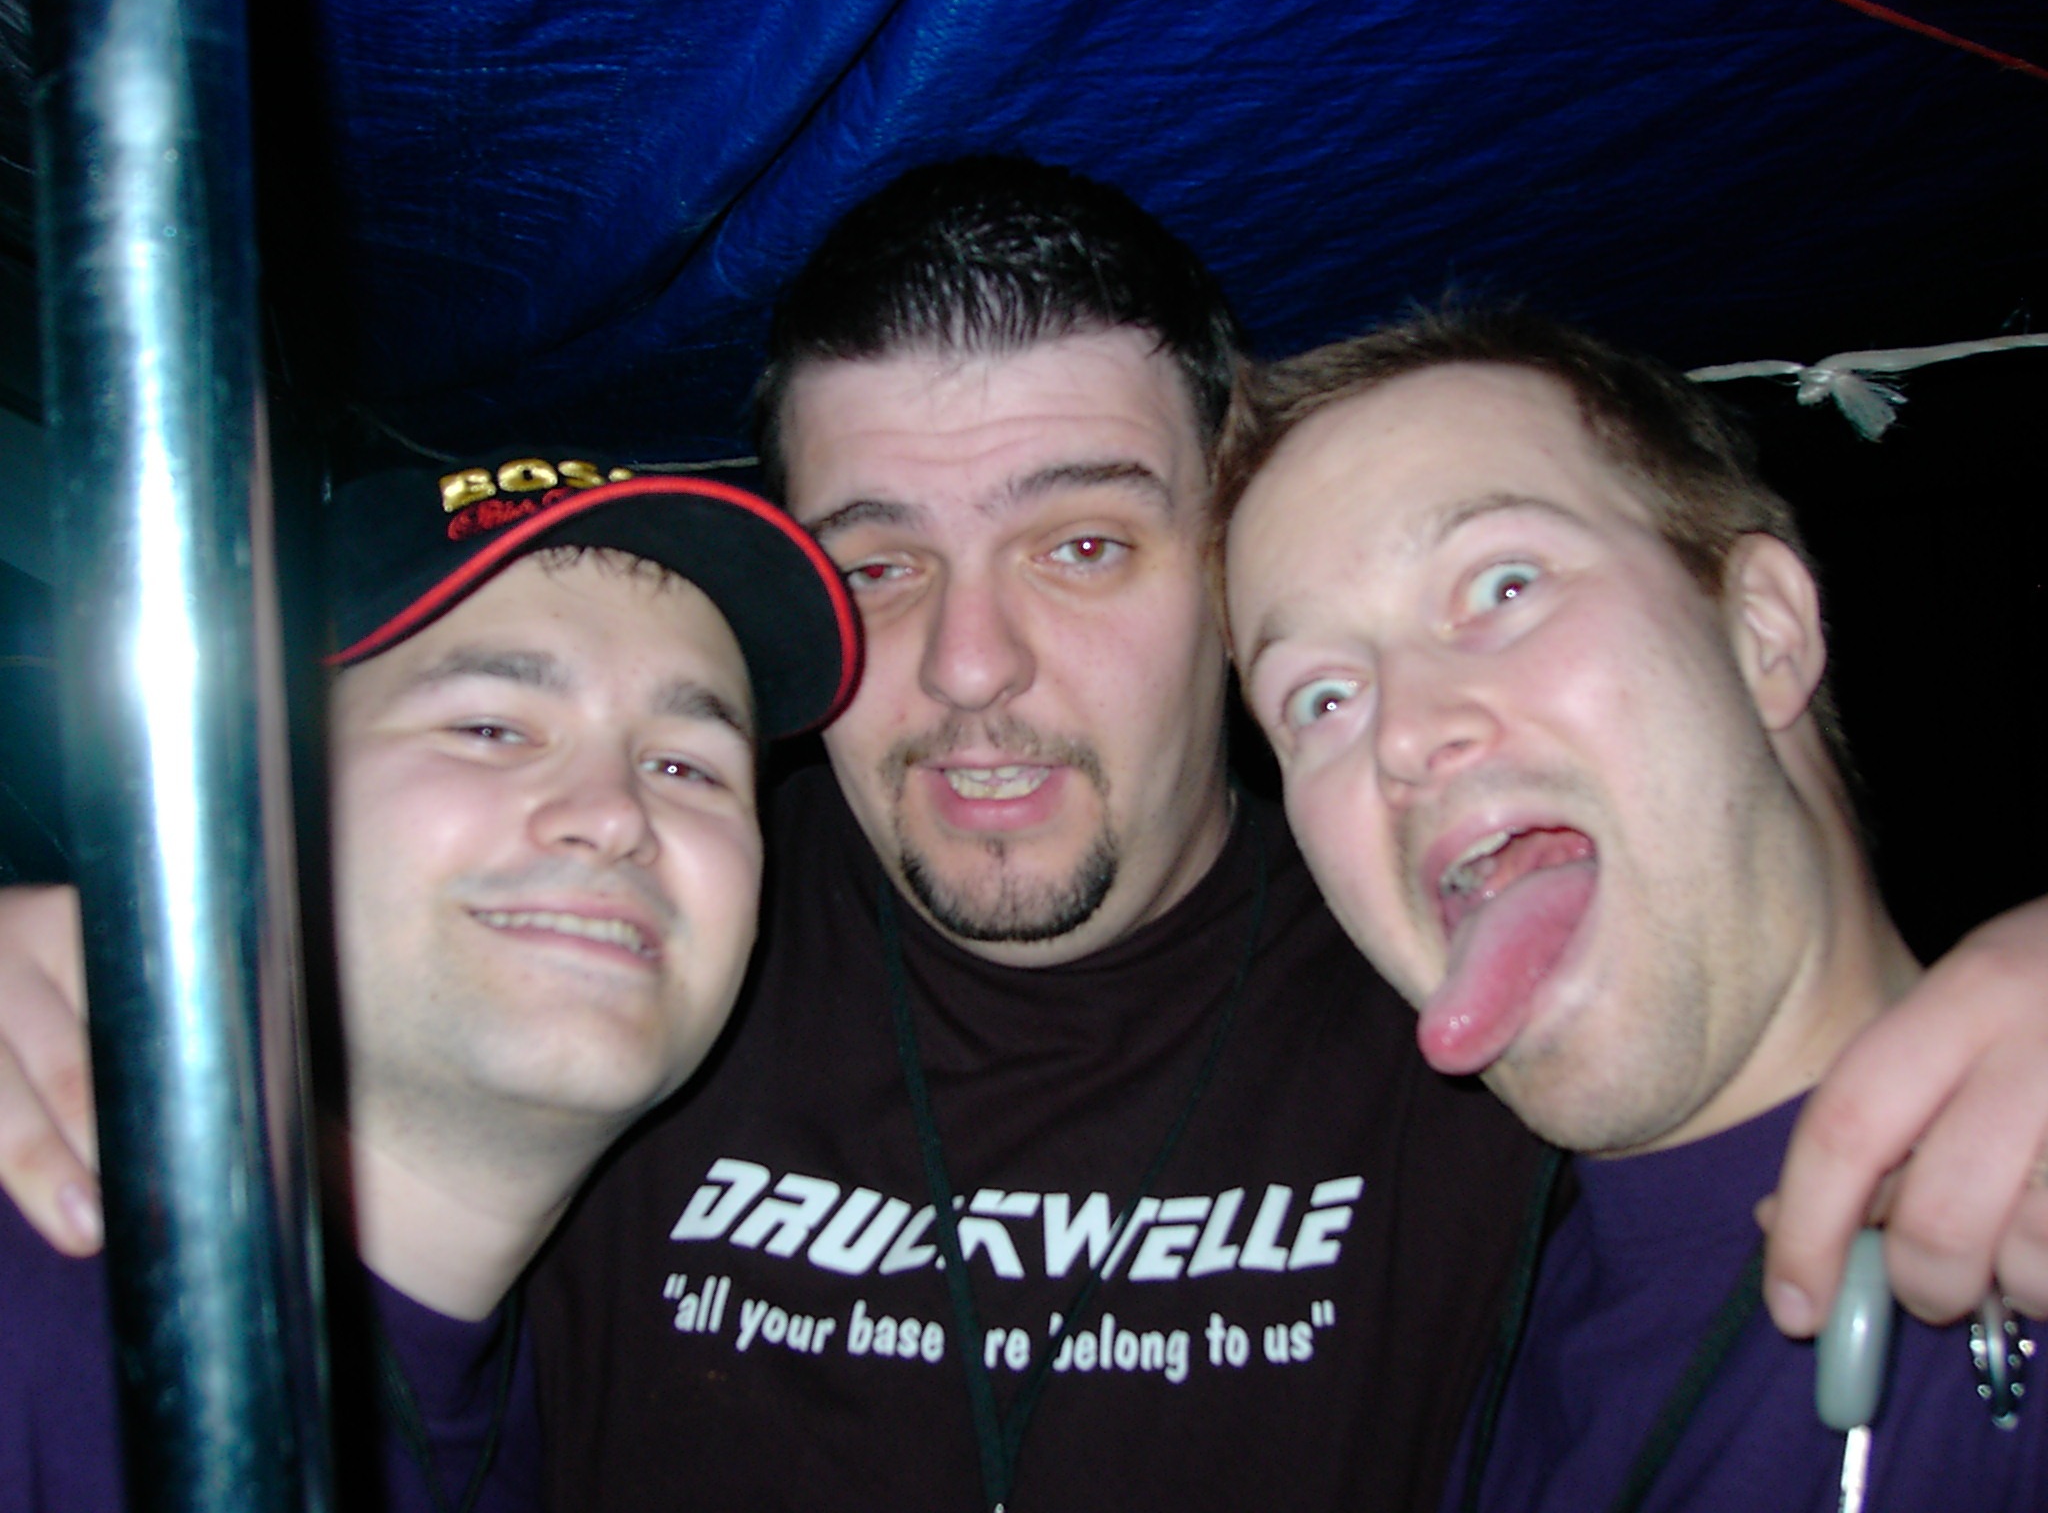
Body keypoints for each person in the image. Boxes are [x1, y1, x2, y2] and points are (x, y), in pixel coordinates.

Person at [4, 160, 2048, 1511]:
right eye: (876, 565)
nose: (970, 666)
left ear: (1224, 588)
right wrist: (104, 948)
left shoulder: (1461, 986)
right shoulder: (639, 936)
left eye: (1082, 544)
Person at [1215, 307, 2046, 1509]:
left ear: (1761, 631)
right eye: (1319, 699)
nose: (1400, 733)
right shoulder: (1473, 1319)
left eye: (1502, 584)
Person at [0, 450, 859, 1512]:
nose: (612, 814)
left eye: (685, 766)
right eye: (489, 728)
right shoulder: (44, 1296)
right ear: (256, 808)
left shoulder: (568, 1397)